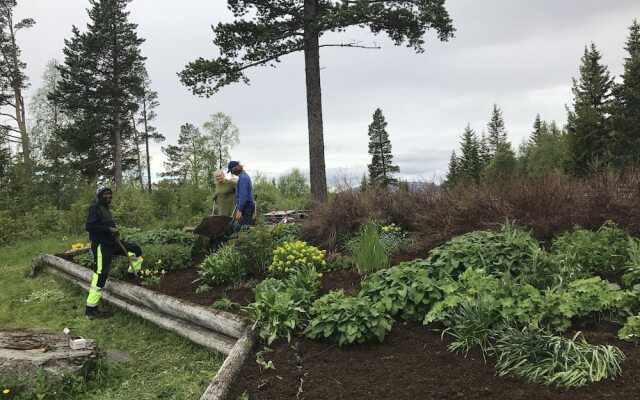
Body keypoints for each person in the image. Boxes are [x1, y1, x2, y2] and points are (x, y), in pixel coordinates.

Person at [85, 185, 143, 319]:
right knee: (101, 274)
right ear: (100, 196)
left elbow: (105, 225)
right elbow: (90, 226)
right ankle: (91, 308)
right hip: (101, 246)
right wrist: (109, 230)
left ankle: (130, 273)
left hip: (113, 243)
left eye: (110, 194)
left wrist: (113, 232)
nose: (109, 196)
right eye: (105, 194)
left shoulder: (105, 209)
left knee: (135, 250)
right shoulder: (96, 207)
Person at [228, 161, 255, 232]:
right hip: (246, 205)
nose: (232, 173)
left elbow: (243, 196)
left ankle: (244, 242)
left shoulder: (243, 178)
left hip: (247, 206)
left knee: (242, 228)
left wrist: (239, 210)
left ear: (235, 169)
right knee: (242, 228)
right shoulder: (243, 176)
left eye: (231, 171)